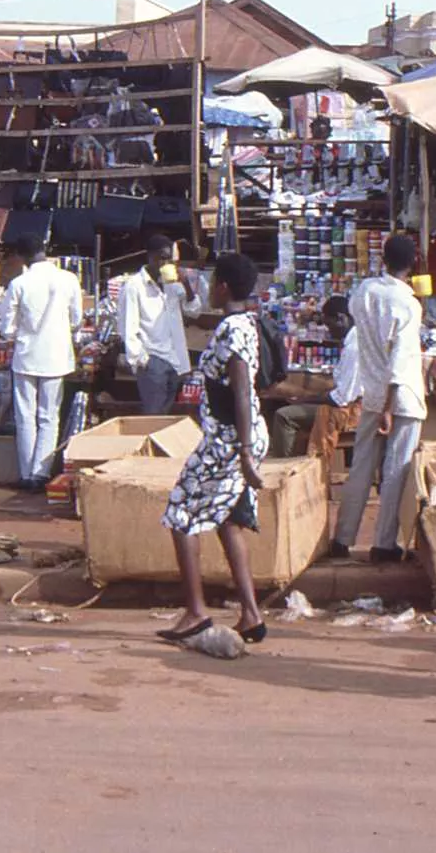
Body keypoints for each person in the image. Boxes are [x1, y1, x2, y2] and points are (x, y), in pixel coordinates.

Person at [157, 253, 271, 646]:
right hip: (237, 435)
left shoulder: (232, 330)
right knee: (227, 519)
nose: (208, 289)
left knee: (180, 513)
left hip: (228, 439)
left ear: (223, 287)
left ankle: (196, 612)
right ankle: (251, 615)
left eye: (212, 282)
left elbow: (241, 389)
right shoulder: (244, 323)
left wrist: (244, 451)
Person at [329, 233, 426, 563]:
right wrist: (389, 407)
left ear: (383, 260)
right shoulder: (408, 304)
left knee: (361, 466)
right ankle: (384, 544)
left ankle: (342, 538)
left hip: (372, 393)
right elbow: (399, 360)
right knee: (396, 469)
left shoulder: (365, 292)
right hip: (400, 398)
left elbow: (364, 326)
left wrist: (382, 404)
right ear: (413, 264)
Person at [0, 234, 83, 492]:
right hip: (56, 355)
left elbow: (6, 328)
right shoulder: (68, 279)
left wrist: (19, 332)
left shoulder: (19, 284)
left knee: (25, 415)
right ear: (45, 250)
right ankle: (41, 473)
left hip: (26, 356)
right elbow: (76, 320)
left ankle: (27, 474)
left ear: (21, 257)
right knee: (49, 417)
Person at [268, 295, 361, 463]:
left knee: (283, 416)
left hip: (349, 410)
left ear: (341, 319)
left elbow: (340, 399)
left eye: (329, 325)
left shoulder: (354, 348)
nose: (329, 331)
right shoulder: (354, 342)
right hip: (349, 403)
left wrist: (304, 399)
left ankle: (284, 465)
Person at [119, 235, 193, 416]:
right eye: (163, 258)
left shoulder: (172, 284)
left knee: (167, 416)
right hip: (153, 360)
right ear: (151, 257)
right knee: (153, 417)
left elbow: (194, 310)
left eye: (169, 259)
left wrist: (186, 284)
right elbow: (128, 328)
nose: (166, 264)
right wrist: (142, 360)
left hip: (175, 360)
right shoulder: (134, 286)